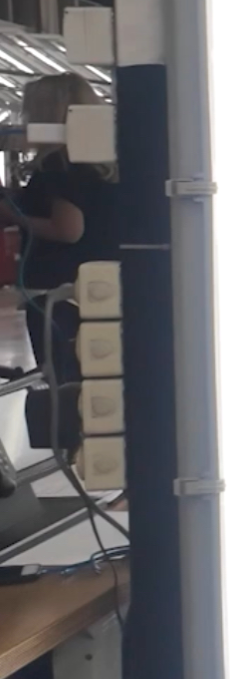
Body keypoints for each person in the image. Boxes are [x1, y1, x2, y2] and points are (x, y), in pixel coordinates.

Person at [10, 75, 118, 446]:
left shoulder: (58, 164)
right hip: (98, 287)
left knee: (65, 385)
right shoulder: (102, 164)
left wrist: (13, 214)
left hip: (57, 294)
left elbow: (68, 228)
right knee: (99, 382)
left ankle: (74, 454)